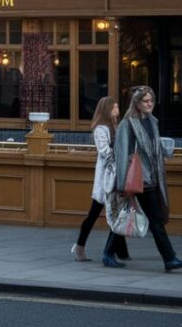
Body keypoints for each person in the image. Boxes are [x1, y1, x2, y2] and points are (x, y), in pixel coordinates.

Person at [111, 86, 182, 272]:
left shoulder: (152, 121)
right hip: (139, 179)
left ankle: (108, 252)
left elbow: (152, 149)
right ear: (137, 103)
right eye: (145, 101)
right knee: (156, 220)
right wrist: (122, 184)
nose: (149, 104)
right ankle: (169, 258)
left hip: (153, 177)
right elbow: (121, 153)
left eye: (151, 101)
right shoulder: (127, 123)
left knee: (128, 215)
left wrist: (162, 149)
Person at [72, 96, 129, 263]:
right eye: (115, 107)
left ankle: (121, 251)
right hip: (106, 179)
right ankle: (79, 246)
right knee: (94, 214)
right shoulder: (101, 129)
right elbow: (105, 152)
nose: (118, 109)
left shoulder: (115, 126)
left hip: (116, 177)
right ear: (107, 109)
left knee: (116, 214)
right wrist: (121, 151)